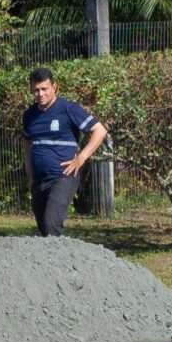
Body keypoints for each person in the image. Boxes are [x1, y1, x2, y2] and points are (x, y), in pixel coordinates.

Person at [21, 67, 107, 237]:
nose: (40, 94)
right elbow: (28, 141)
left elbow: (100, 131)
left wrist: (80, 158)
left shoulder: (68, 109)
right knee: (44, 228)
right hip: (39, 179)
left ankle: (63, 262)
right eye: (36, 90)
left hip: (63, 176)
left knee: (51, 223)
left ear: (54, 87)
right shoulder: (29, 115)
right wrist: (29, 169)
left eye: (44, 89)